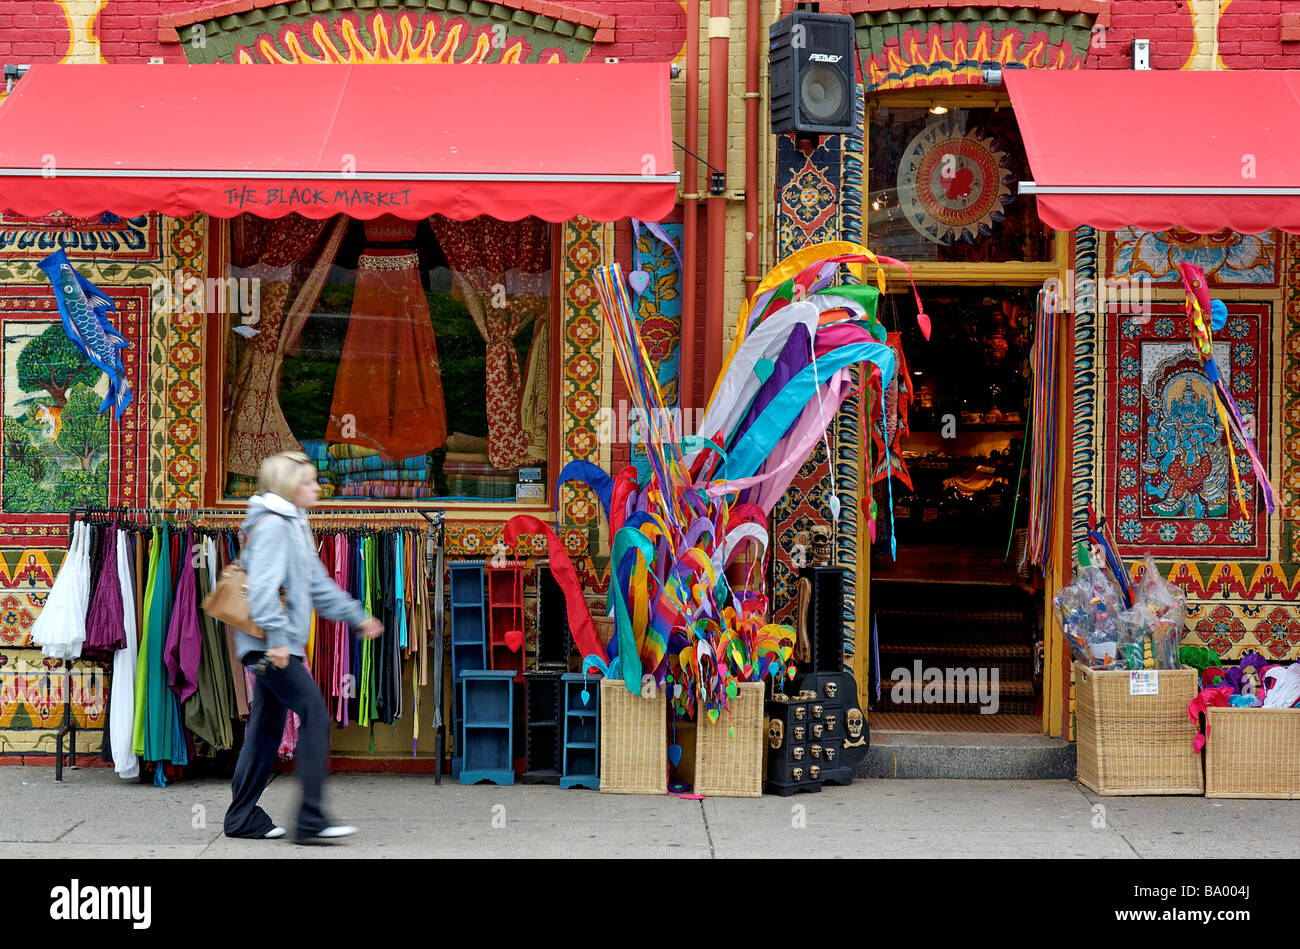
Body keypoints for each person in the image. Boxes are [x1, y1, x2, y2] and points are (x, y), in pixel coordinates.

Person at [223, 450, 383, 844]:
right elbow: (262, 590)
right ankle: (311, 819)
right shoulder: (277, 525)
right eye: (310, 481)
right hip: (270, 647)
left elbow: (316, 583)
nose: (318, 487)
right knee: (315, 713)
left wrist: (354, 615)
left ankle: (241, 816)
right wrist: (278, 641)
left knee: (265, 728)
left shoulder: (295, 522)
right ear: (290, 486)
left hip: (269, 646)